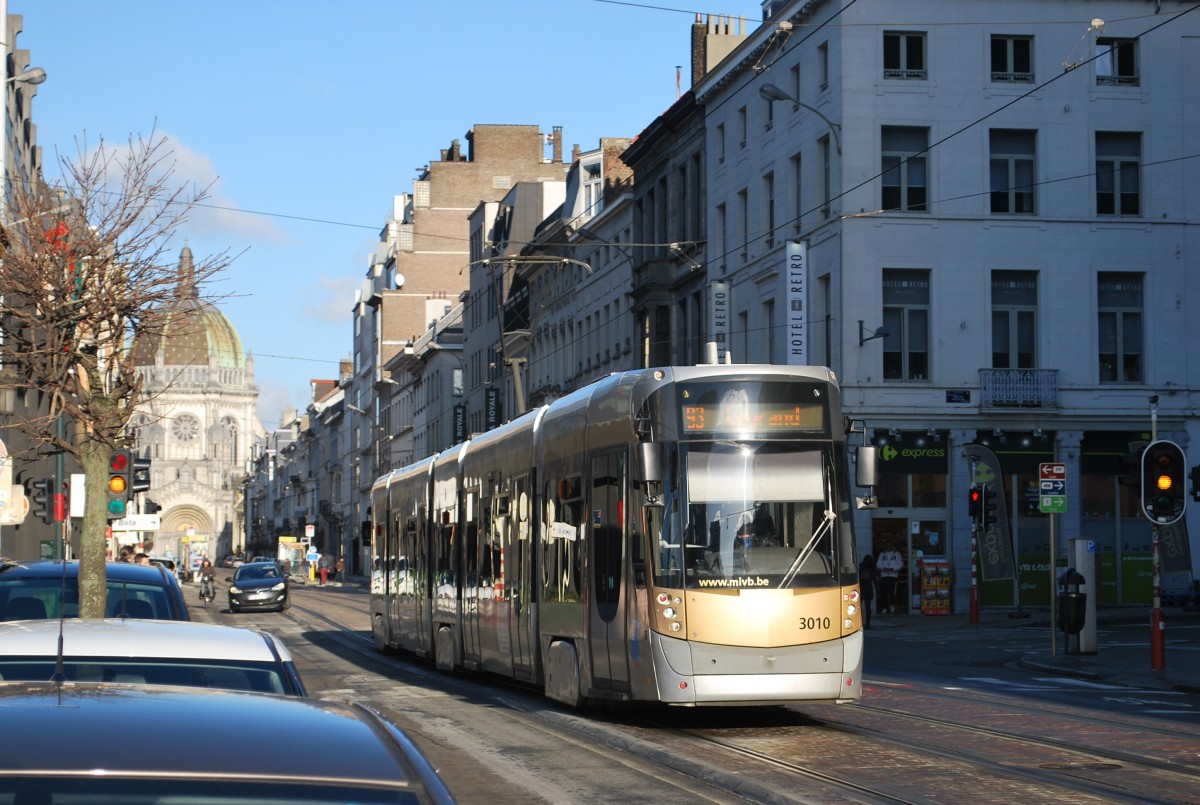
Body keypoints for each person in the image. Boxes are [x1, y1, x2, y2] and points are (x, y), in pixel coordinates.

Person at [876, 542, 904, 614]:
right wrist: (883, 568)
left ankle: (892, 605)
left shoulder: (897, 554)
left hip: (893, 576)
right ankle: (884, 607)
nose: (889, 546)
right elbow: (878, 564)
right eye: (887, 545)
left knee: (892, 592)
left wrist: (893, 568)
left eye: (890, 545)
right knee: (884, 592)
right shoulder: (882, 554)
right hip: (884, 576)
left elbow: (901, 564)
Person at [858, 554, 876, 629]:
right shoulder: (872, 567)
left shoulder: (860, 566)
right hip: (868, 586)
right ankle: (868, 623)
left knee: (859, 607)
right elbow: (874, 577)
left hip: (861, 586)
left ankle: (860, 622)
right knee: (868, 607)